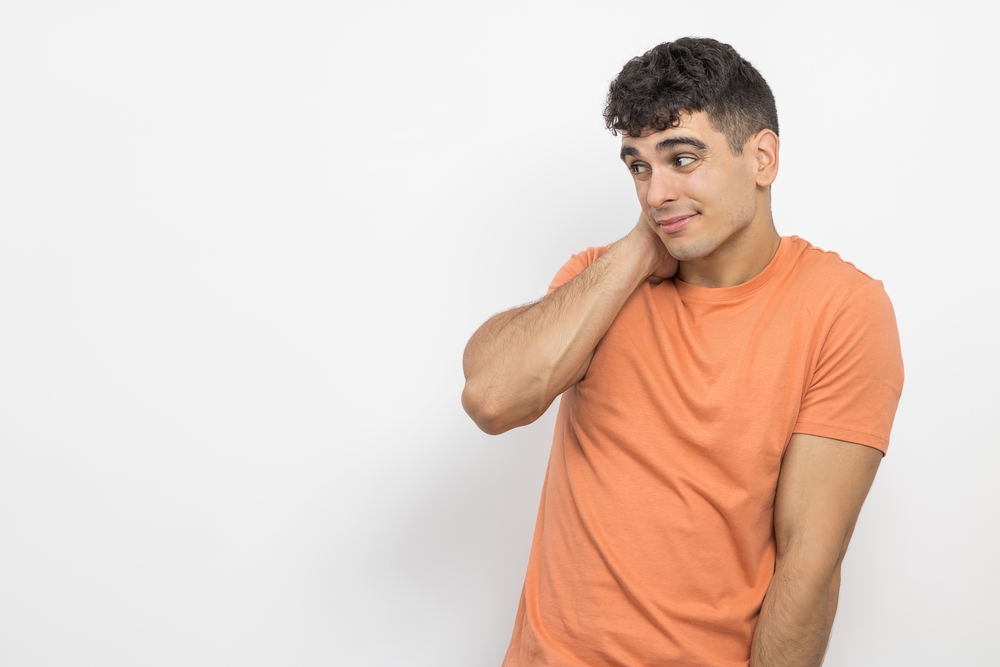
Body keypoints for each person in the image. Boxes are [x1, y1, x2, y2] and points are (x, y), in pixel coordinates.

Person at [461, 37, 904, 667]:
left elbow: (810, 561)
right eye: (638, 166)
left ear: (763, 158)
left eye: (683, 159)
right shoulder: (600, 281)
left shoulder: (841, 308)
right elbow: (492, 397)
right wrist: (643, 250)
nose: (653, 192)